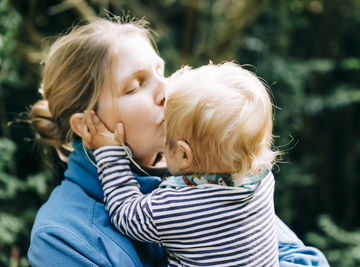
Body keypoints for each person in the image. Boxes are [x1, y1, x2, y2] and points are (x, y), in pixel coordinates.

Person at [28, 17, 329, 266]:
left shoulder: (209, 174)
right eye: (135, 87)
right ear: (85, 123)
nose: (167, 90)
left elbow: (306, 259)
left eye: (161, 72)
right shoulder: (61, 238)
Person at [81, 62, 279, 266]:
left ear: (184, 154)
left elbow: (125, 213)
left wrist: (110, 152)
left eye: (164, 131)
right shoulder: (261, 181)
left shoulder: (176, 207)